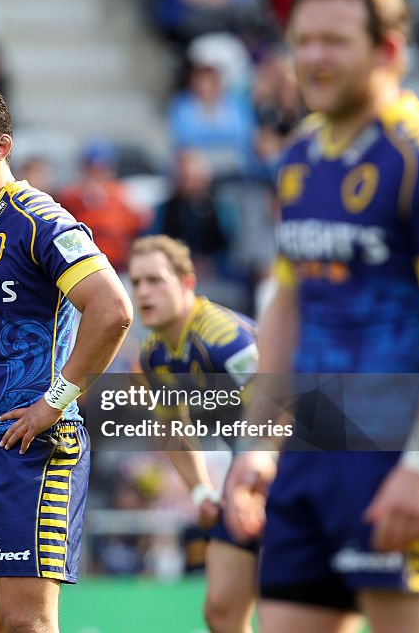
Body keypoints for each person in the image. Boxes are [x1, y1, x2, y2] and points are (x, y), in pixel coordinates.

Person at [222, 0, 419, 633]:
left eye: (335, 41)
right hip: (310, 459)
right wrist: (257, 443)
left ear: (388, 50)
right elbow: (288, 304)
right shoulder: (300, 158)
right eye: (304, 40)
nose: (314, 57)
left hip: (398, 456)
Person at [0, 78, 133, 633]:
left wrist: (57, 400)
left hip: (31, 446)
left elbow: (112, 310)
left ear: (1, 146)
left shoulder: (39, 221)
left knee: (26, 622)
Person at [128, 235, 258, 633]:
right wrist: (201, 490)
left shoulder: (224, 337)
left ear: (187, 282)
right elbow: (172, 429)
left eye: (155, 280)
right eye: (136, 283)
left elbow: (282, 410)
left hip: (298, 464)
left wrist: (248, 483)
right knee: (220, 611)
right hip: (245, 472)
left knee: (288, 611)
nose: (143, 292)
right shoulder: (154, 354)